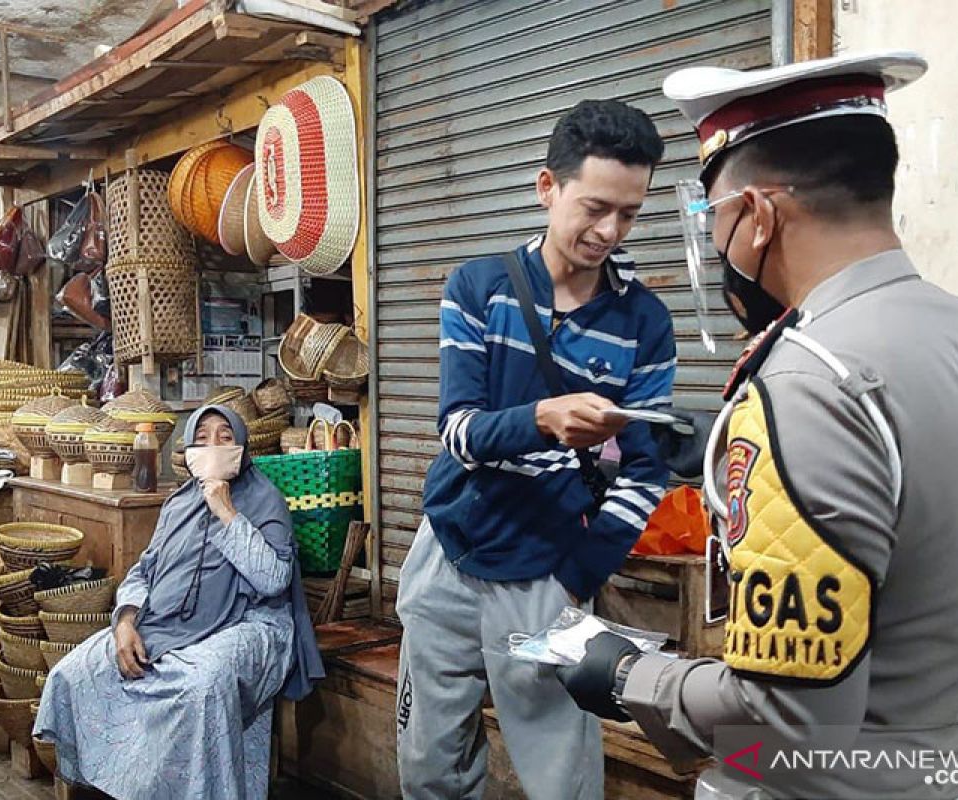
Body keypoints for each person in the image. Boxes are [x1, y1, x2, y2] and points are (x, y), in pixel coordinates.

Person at [556, 51, 958, 800]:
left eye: (716, 217)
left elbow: (790, 719)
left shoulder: (805, 384)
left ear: (758, 215)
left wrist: (630, 676)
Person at [396, 99, 676, 799]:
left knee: (561, 776)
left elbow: (646, 471)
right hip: (447, 567)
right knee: (430, 766)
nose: (609, 230)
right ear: (547, 187)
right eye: (594, 207)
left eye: (630, 213)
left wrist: (577, 574)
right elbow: (458, 430)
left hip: (542, 587)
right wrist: (543, 419)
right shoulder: (479, 288)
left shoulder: (644, 322)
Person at [34, 405, 324, 800]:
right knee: (74, 672)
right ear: (188, 450)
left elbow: (273, 580)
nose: (213, 445)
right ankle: (121, 785)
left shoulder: (264, 499)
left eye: (225, 436)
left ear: (241, 445)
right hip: (166, 621)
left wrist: (226, 511)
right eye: (202, 438)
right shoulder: (178, 503)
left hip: (251, 622)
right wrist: (125, 621)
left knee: (199, 688)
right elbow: (144, 570)